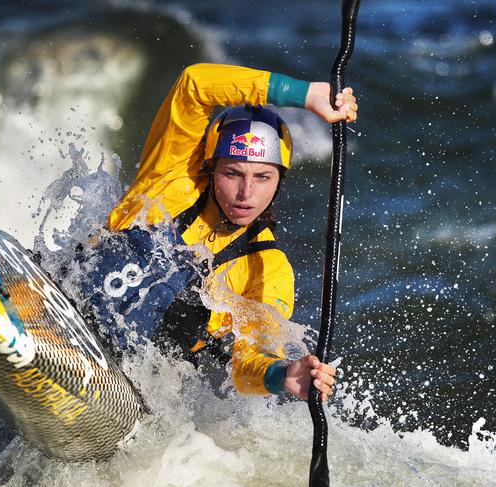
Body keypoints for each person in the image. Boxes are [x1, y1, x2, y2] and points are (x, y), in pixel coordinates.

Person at [76, 63, 357, 401]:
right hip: (58, 312)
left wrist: (282, 375)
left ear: (280, 180)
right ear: (211, 169)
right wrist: (305, 94)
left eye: (263, 177)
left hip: (115, 387)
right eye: (232, 173)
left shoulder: (267, 267)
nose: (246, 193)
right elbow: (195, 85)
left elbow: (249, 358)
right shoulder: (170, 181)